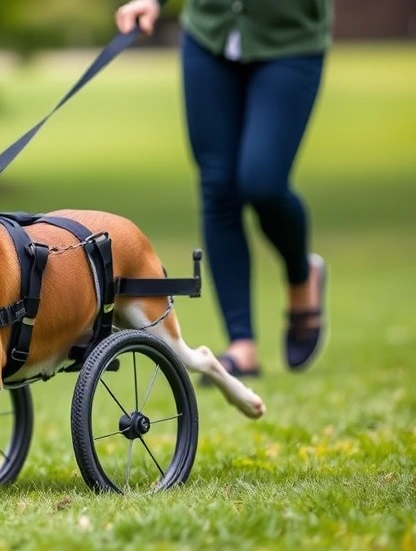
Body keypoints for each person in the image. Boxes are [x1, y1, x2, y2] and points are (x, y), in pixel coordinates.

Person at [115, 0, 330, 377]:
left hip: (290, 40)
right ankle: (241, 344)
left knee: (263, 183)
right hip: (208, 34)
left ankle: (301, 275)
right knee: (218, 188)